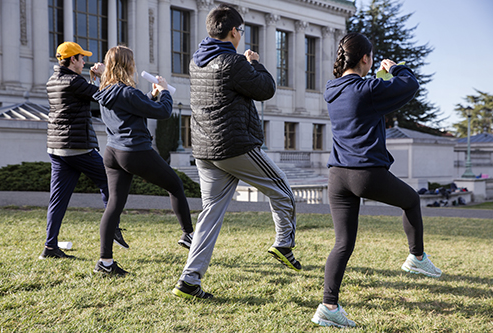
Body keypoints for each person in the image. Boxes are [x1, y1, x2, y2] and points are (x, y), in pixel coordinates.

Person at [310, 32, 442, 328]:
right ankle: (416, 258)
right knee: (411, 200)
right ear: (366, 59)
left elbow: (365, 101)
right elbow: (410, 85)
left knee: (342, 244)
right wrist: (395, 68)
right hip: (365, 173)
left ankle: (328, 306)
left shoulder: (333, 90)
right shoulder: (367, 89)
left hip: (338, 176)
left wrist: (378, 80)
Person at [172, 4, 301, 300]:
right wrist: (255, 63)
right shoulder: (235, 63)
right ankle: (284, 244)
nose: (242, 36)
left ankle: (189, 279)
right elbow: (266, 89)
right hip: (234, 146)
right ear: (234, 31)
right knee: (282, 189)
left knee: (210, 215)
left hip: (204, 150)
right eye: (241, 31)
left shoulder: (196, 62)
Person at [92, 45, 194, 275]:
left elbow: (133, 107)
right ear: (128, 65)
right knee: (175, 185)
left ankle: (105, 263)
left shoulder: (105, 91)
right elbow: (162, 112)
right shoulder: (127, 91)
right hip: (135, 151)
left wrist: (153, 95)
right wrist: (165, 91)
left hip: (112, 153)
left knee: (114, 205)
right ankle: (188, 234)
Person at [40, 41, 129, 260]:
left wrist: (91, 79)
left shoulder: (53, 80)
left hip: (57, 148)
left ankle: (50, 247)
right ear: (73, 60)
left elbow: (82, 97)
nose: (84, 62)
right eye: (82, 58)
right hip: (77, 147)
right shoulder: (73, 81)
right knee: (110, 183)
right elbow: (104, 95)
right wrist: (102, 74)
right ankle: (113, 226)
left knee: (57, 200)